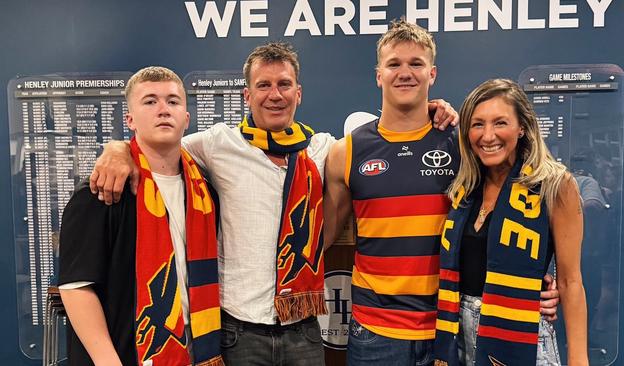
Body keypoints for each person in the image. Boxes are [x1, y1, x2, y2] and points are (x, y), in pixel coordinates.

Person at [89, 42, 458, 365]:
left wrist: (435, 109)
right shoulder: (218, 144)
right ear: (247, 96)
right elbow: (159, 144)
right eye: (263, 85)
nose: (274, 94)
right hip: (238, 330)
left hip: (304, 330)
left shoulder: (323, 149)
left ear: (298, 93)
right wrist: (117, 148)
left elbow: (391, 135)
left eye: (284, 85)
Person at [324, 21, 560, 366]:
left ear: (432, 73)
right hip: (375, 334)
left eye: (416, 64)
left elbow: (508, 212)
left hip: (450, 329)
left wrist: (532, 284)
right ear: (378, 75)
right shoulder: (345, 153)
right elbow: (323, 238)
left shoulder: (464, 145)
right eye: (394, 64)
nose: (405, 73)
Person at [58, 67, 223, 365]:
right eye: (150, 101)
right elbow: (77, 288)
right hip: (127, 351)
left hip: (197, 346)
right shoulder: (102, 192)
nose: (163, 109)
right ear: (130, 119)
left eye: (173, 101)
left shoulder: (206, 194)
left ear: (186, 118)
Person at [434, 78, 588, 365]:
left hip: (522, 335)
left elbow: (570, 281)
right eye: (478, 124)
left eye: (500, 123)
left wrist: (579, 359)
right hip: (457, 334)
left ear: (522, 128)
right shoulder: (465, 187)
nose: (488, 135)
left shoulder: (554, 184)